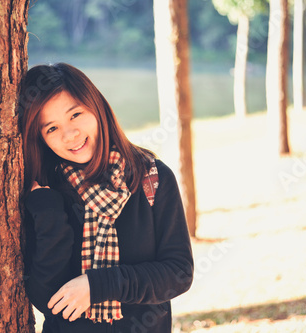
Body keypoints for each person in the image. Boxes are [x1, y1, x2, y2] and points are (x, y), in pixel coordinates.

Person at [18, 62, 194, 332]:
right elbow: (45, 298)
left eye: (75, 115)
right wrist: (50, 215)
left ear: (96, 106)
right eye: (51, 128)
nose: (69, 134)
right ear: (40, 138)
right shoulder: (45, 192)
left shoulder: (151, 178)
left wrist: (98, 285)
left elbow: (178, 273)